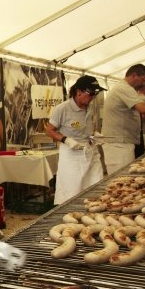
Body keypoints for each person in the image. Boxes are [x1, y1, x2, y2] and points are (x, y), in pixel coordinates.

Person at [45, 76, 105, 204]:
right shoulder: (63, 108)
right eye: (91, 94)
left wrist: (95, 135)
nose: (94, 97)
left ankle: (92, 211)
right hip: (71, 154)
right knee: (72, 190)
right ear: (79, 92)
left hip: (89, 151)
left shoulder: (90, 107)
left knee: (95, 184)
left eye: (96, 94)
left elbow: (89, 128)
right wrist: (66, 140)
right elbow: (49, 130)